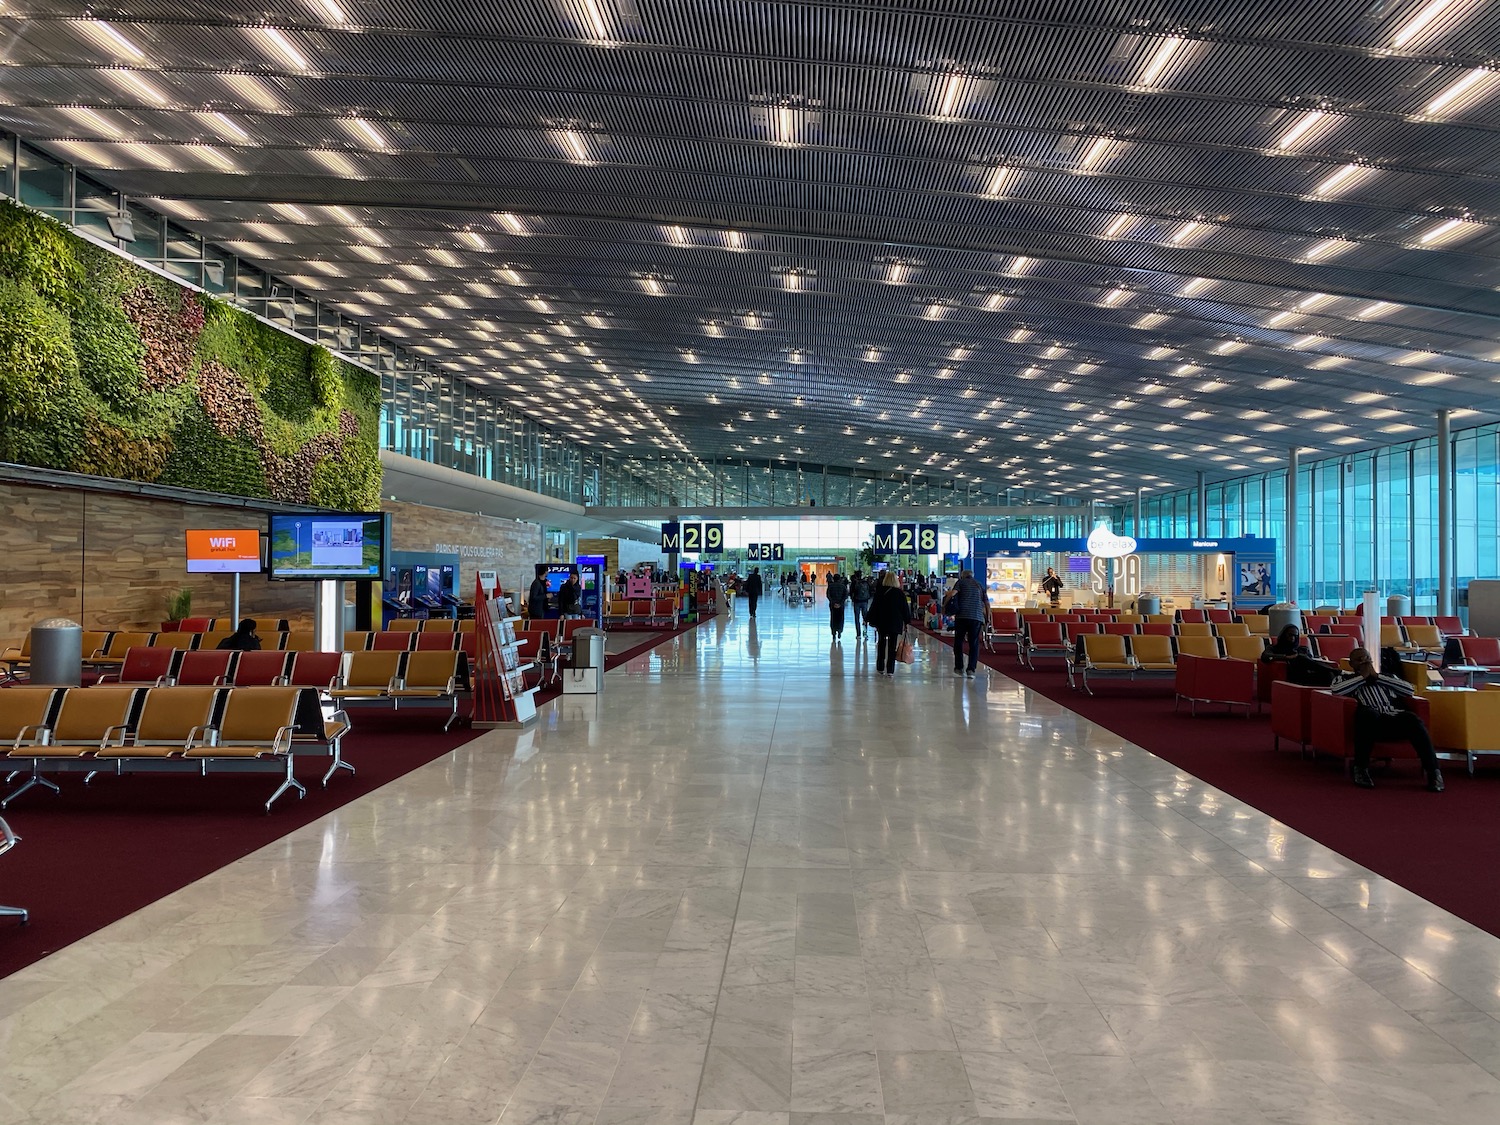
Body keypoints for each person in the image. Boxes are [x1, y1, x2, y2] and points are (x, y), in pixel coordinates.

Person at [1331, 647, 1443, 791]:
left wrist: (1377, 677)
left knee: (1413, 719)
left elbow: (1409, 690)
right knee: (1368, 714)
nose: (1364, 662)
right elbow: (1336, 691)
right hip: (1369, 723)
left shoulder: (1388, 677)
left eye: (1367, 658)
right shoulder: (1344, 678)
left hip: (1392, 719)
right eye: (1359, 660)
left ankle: (1434, 773)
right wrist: (1363, 677)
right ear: (1352, 664)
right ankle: (1361, 770)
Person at [868, 570, 912, 675]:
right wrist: (907, 622)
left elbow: (874, 607)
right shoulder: (900, 593)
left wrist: (868, 618)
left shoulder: (880, 592)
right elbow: (905, 609)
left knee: (881, 643)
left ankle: (880, 667)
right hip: (895, 622)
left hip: (882, 622)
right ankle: (890, 670)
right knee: (892, 646)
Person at [946, 568, 988, 678]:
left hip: (962, 616)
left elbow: (952, 594)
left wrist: (944, 605)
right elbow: (987, 602)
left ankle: (959, 667)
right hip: (977, 617)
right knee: (973, 643)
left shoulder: (960, 582)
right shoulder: (979, 584)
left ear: (962, 576)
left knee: (959, 642)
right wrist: (988, 618)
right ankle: (971, 670)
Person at [1261, 623, 1332, 686]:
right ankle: (1336, 671)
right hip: (1295, 679)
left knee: (1329, 675)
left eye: (1295, 636)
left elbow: (1311, 662)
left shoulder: (1302, 649)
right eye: (1290, 635)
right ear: (1284, 635)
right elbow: (1265, 656)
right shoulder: (1274, 648)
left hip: (1309, 675)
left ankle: (1334, 672)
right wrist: (1286, 657)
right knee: (1300, 657)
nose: (1292, 638)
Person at [827, 570, 850, 641]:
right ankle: (839, 630)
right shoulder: (843, 586)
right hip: (841, 605)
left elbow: (828, 595)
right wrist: (840, 603)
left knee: (833, 618)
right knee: (840, 618)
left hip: (832, 605)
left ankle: (833, 632)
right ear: (839, 579)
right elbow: (845, 595)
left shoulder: (831, 586)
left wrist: (833, 603)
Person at [850, 570, 872, 638]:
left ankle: (858, 634)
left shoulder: (854, 583)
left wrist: (852, 599)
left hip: (857, 601)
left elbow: (851, 592)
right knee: (865, 618)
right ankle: (865, 633)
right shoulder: (865, 582)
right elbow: (870, 591)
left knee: (857, 618)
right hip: (865, 601)